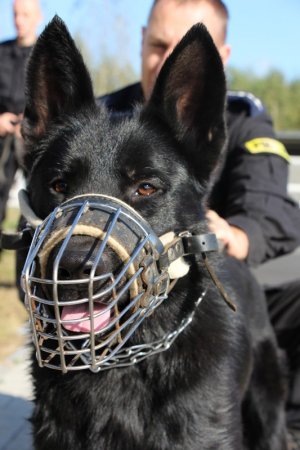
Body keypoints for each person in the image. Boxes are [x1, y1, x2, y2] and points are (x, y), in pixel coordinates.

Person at [97, 0, 300, 438]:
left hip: (227, 283)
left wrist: (234, 234)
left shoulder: (243, 119)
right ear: (140, 43)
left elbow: (271, 204)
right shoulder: (100, 119)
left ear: (218, 58)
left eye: (184, 49)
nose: (167, 62)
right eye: (157, 45)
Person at [0, 0, 42, 230]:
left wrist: (29, 127)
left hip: (32, 141)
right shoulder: (1, 53)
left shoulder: (47, 58)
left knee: (35, 201)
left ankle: (27, 255)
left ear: (38, 16)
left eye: (25, 15)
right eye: (15, 14)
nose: (19, 21)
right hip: (2, 138)